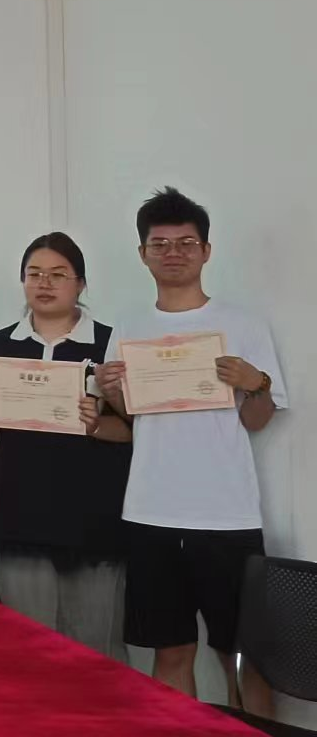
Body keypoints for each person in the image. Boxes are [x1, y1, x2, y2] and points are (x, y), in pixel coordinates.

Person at [97, 188, 287, 715]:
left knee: (242, 656)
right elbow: (133, 417)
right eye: (160, 244)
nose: (173, 252)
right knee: (171, 649)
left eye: (185, 243)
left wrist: (257, 383)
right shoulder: (128, 327)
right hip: (150, 512)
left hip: (226, 513)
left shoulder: (243, 324)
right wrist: (112, 392)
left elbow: (257, 420)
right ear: (143, 254)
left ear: (206, 250)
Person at [0, 232, 131, 658]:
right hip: (19, 515)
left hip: (95, 518)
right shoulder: (0, 345)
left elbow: (135, 430)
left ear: (81, 283)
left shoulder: (111, 344)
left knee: (97, 651)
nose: (44, 283)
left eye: (58, 274)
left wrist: (94, 426)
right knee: (29, 653)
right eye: (34, 274)